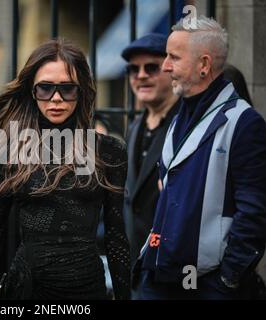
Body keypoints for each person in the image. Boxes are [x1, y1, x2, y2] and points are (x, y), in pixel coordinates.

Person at [0, 38, 130, 300]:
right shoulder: (14, 148)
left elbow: (116, 238)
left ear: (81, 90)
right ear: (32, 91)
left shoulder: (108, 151)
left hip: (85, 289)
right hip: (27, 289)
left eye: (67, 89)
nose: (56, 99)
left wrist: (124, 296)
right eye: (45, 88)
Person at [138, 16, 266, 299]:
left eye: (173, 57)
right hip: (160, 277)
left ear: (204, 65)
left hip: (204, 286)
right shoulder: (180, 113)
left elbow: (255, 214)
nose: (165, 66)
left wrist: (226, 282)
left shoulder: (245, 123)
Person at [120, 34, 180, 285]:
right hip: (136, 268)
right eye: (133, 69)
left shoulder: (187, 126)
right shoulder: (134, 126)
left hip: (173, 271)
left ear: (170, 68)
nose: (141, 75)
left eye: (151, 67)